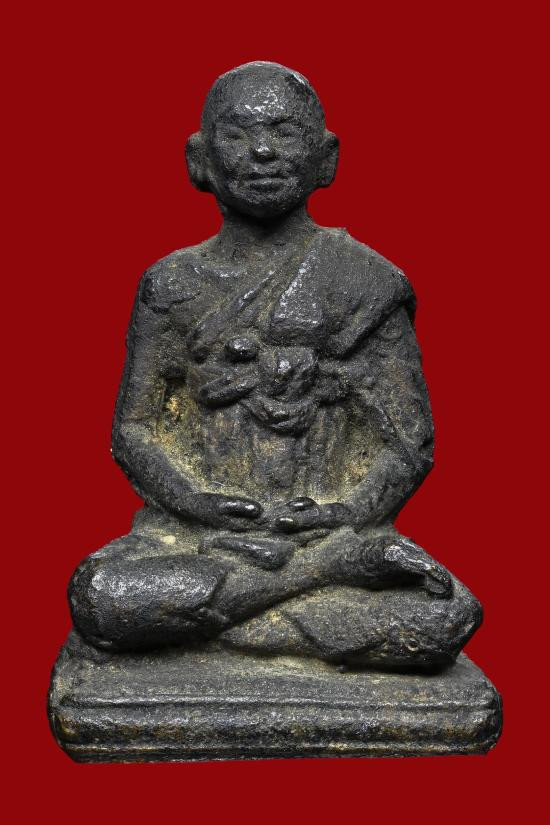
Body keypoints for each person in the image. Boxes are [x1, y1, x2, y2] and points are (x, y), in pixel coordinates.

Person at [69, 62, 481, 669]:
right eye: (238, 135)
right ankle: (315, 583)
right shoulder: (172, 285)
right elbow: (134, 430)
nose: (262, 151)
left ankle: (216, 623)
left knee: (448, 615)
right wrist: (193, 502)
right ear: (200, 160)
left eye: (285, 133)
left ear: (326, 158)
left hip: (328, 529)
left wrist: (345, 515)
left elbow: (409, 443)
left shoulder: (367, 282)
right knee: (102, 595)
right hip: (198, 539)